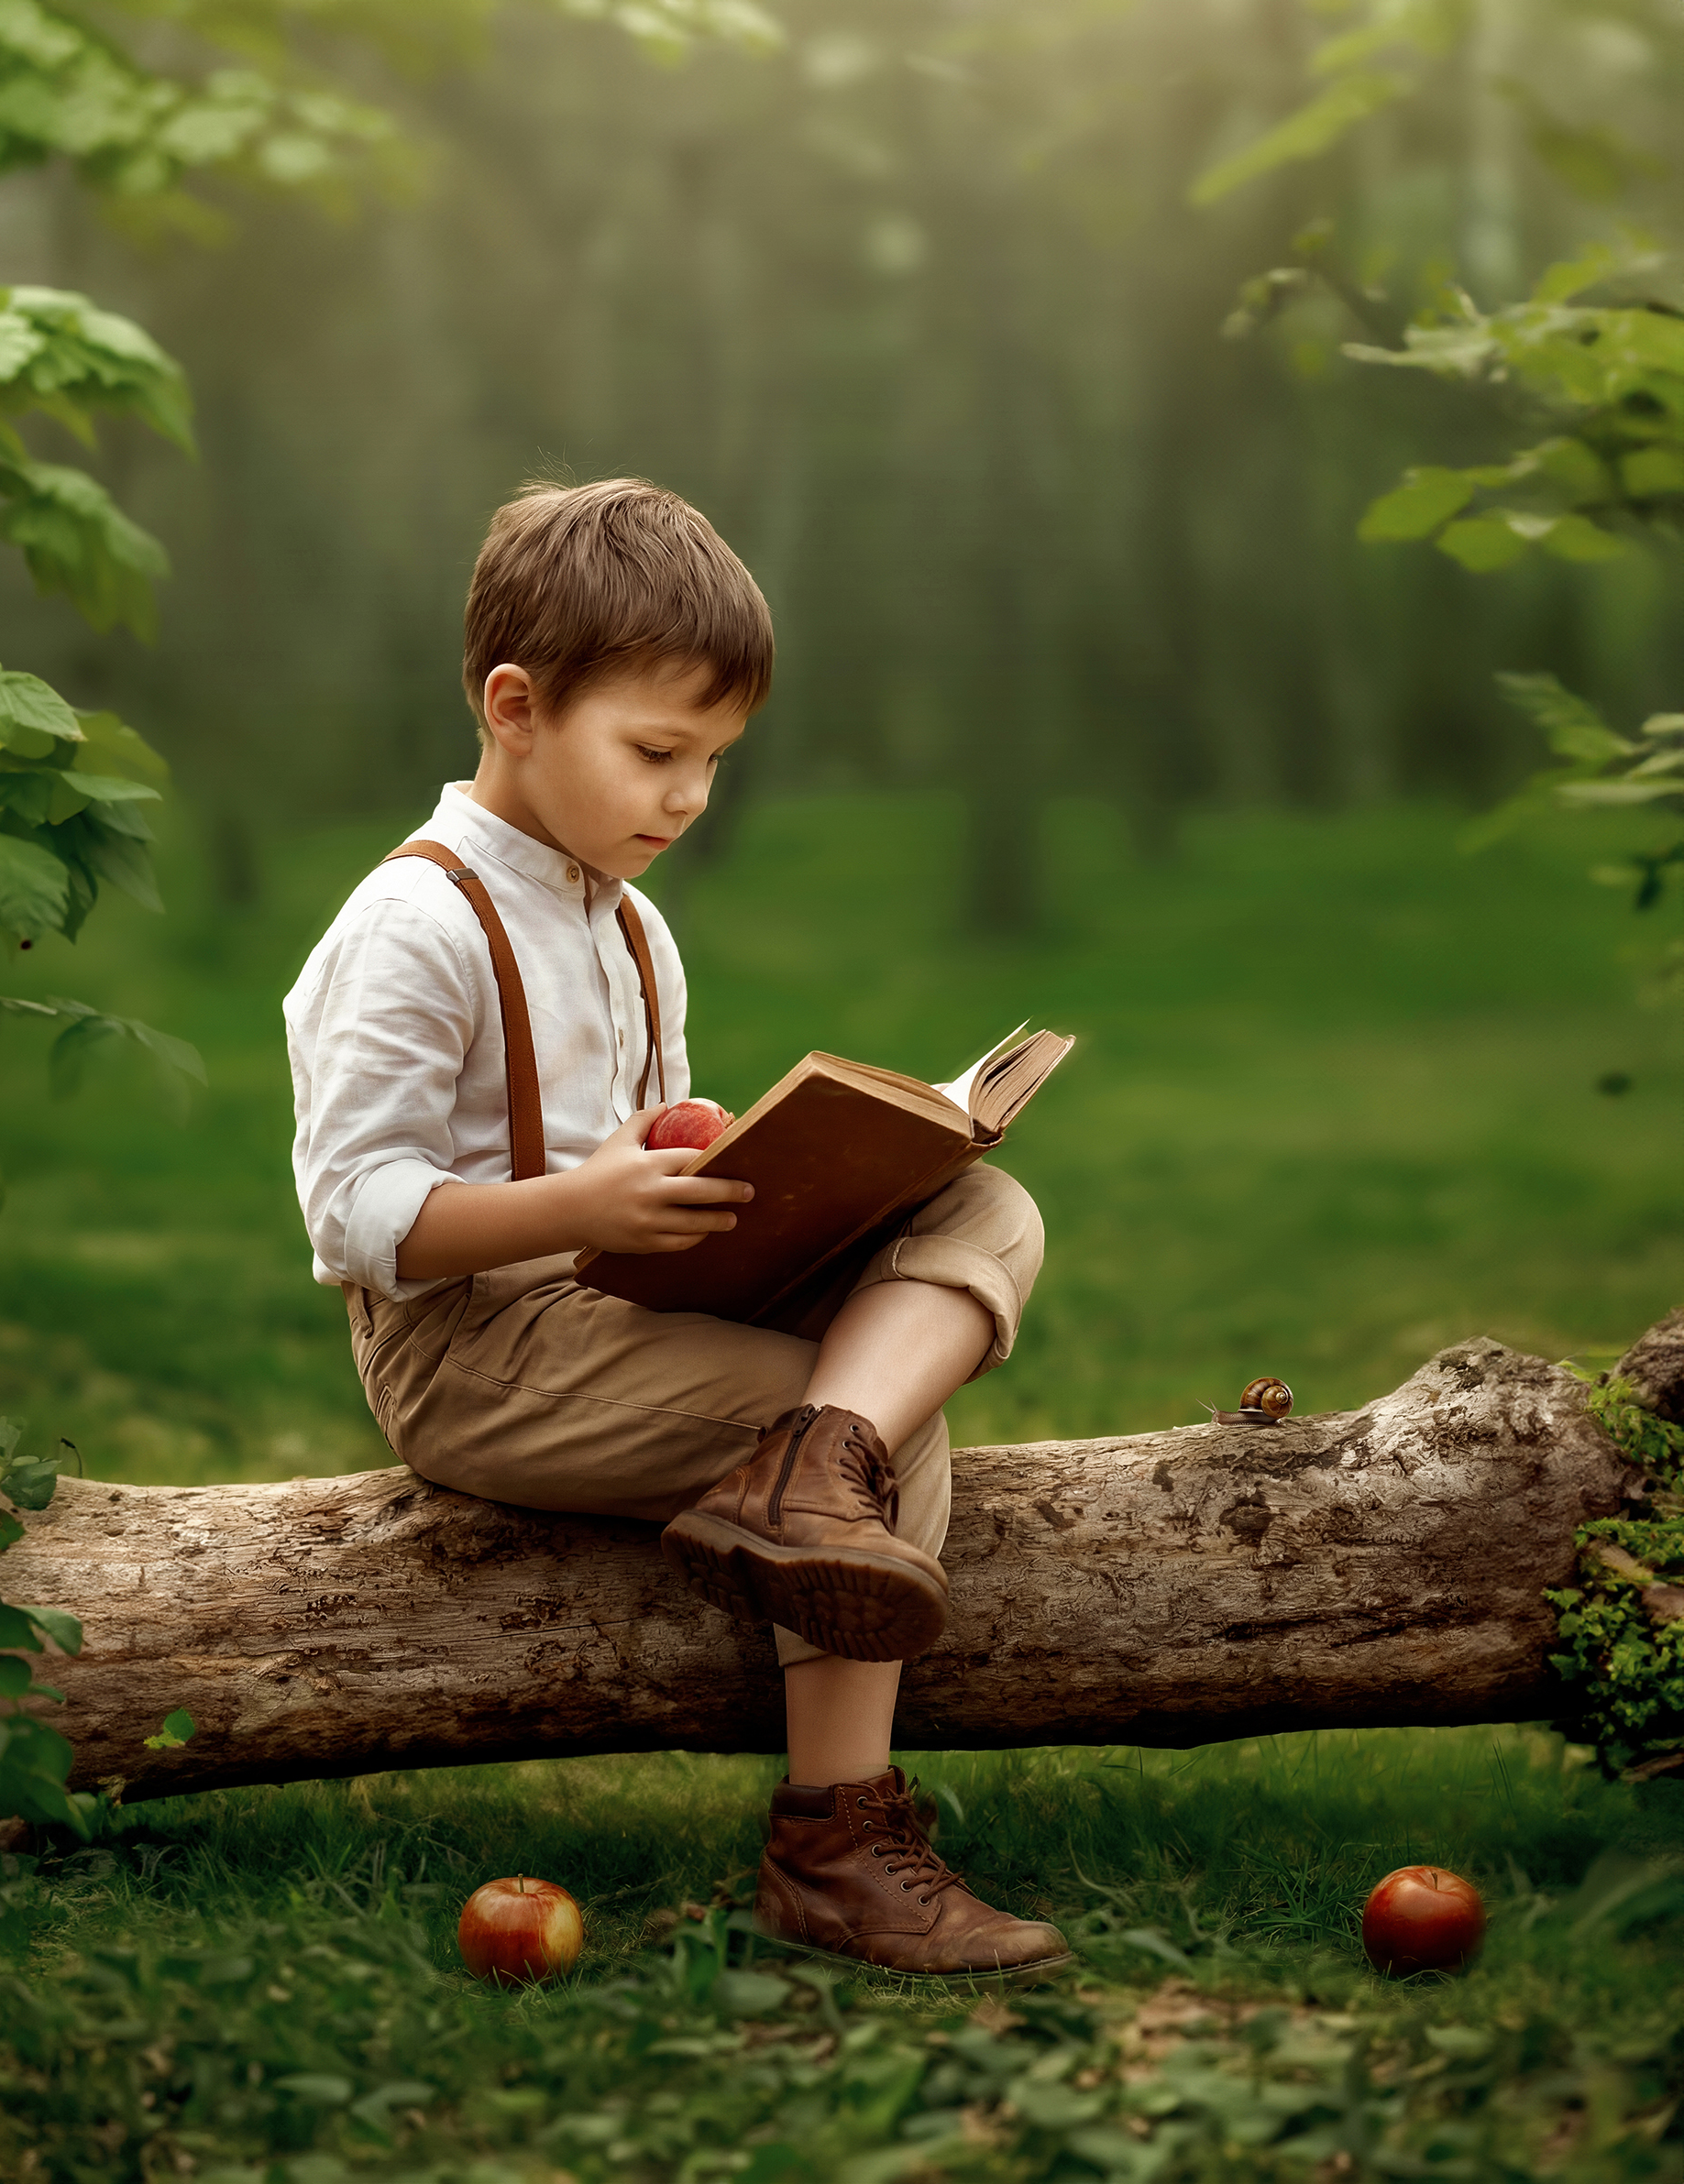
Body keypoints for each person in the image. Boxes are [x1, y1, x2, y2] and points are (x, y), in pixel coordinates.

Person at [284, 478, 1068, 1982]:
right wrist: (587, 1199)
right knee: (882, 1433)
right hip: (471, 1350)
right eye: (656, 753)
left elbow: (632, 1133)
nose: (688, 798)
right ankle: (834, 1842)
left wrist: (727, 1163)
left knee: (985, 1202)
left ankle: (810, 1468)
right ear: (516, 706)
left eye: (712, 761)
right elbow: (352, 1211)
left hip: (617, 1292)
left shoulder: (633, 923)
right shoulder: (415, 925)